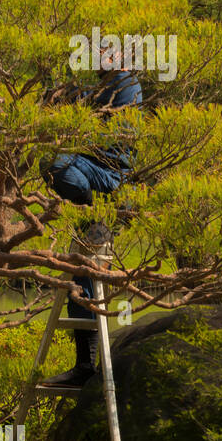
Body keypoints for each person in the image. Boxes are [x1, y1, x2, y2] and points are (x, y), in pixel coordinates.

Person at [40, 40, 143, 388]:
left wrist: (69, 102)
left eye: (105, 52)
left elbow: (95, 116)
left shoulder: (126, 83)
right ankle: (85, 364)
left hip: (110, 178)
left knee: (54, 161)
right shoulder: (103, 85)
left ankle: (93, 208)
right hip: (95, 178)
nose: (97, 58)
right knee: (81, 275)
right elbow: (80, 101)